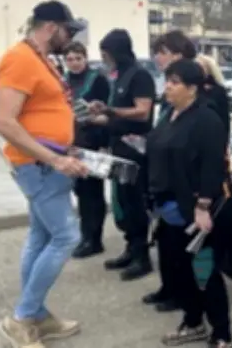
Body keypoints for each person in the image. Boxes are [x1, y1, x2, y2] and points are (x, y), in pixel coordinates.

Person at [0, 0, 88, 348]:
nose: (71, 38)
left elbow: (42, 113)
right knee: (66, 237)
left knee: (41, 235)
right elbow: (4, 122)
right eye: (69, 30)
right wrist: (55, 158)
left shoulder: (40, 60)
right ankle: (22, 318)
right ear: (51, 27)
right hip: (38, 166)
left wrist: (65, 150)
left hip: (48, 163)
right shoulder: (19, 59)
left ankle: (37, 314)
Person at [149, 59, 232, 348]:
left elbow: (212, 166)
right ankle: (193, 321)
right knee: (179, 270)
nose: (168, 87)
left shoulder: (206, 119)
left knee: (205, 271)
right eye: (167, 81)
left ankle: (222, 333)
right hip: (168, 207)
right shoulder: (169, 114)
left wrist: (203, 207)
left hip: (196, 208)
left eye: (174, 83)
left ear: (192, 88)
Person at [88, 29, 156, 281]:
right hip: (119, 146)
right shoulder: (120, 77)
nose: (104, 59)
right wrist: (96, 116)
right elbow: (116, 113)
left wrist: (111, 110)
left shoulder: (140, 76)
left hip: (135, 149)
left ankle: (142, 256)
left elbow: (142, 112)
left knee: (136, 202)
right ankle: (130, 247)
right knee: (123, 202)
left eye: (106, 54)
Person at [142, 29, 198, 313]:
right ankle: (168, 287)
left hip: (183, 182)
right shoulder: (168, 96)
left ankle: (183, 295)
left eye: (162, 52)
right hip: (161, 179)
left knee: (179, 245)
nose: (157, 58)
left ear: (178, 54)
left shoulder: (198, 93)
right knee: (164, 241)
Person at [63, 42, 111, 258]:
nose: (74, 63)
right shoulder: (63, 81)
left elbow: (107, 110)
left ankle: (94, 239)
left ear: (85, 58)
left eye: (77, 58)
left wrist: (103, 141)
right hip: (71, 141)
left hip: (92, 140)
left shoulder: (97, 79)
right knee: (80, 191)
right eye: (70, 59)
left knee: (93, 191)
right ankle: (85, 236)